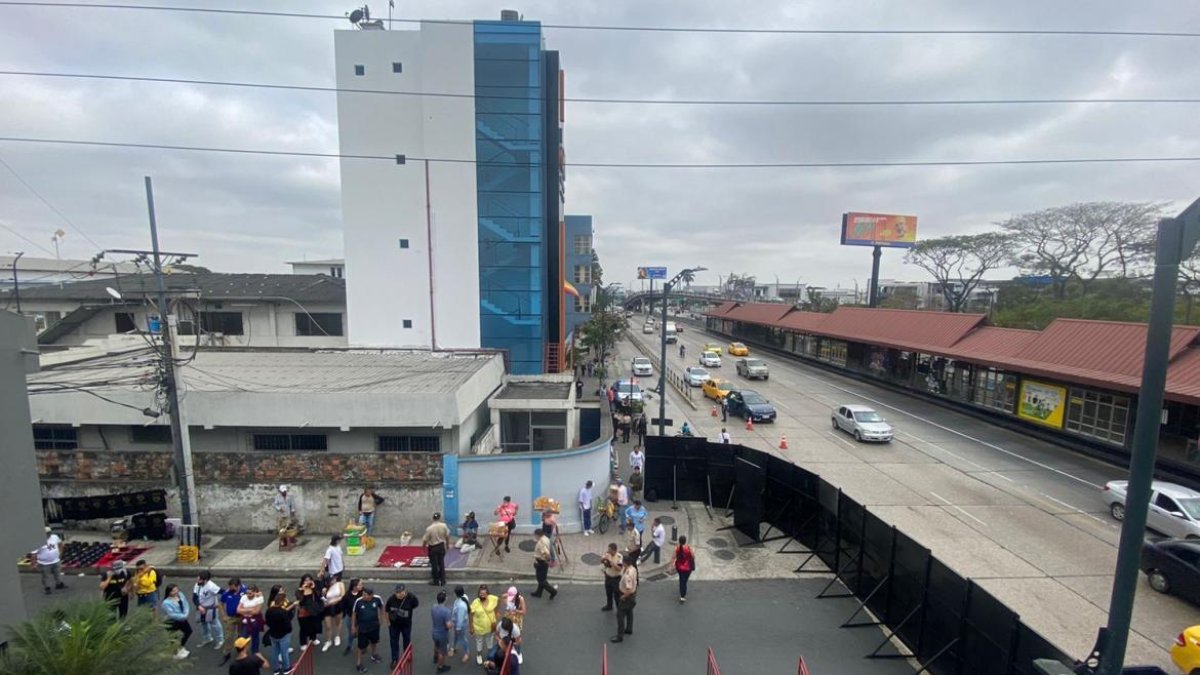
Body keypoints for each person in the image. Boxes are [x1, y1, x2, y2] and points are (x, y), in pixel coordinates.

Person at [384, 584, 419, 668]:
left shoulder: (411, 598)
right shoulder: (391, 600)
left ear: (405, 591)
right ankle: (394, 659)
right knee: (393, 642)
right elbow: (386, 610)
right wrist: (388, 622)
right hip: (394, 625)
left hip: (406, 625)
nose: (399, 594)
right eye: (397, 592)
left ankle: (407, 656)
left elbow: (415, 604)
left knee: (406, 640)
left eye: (401, 592)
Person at [351, 586, 384, 673]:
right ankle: (359, 664)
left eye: (365, 595)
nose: (363, 596)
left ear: (371, 595)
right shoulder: (358, 601)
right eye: (363, 594)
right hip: (362, 628)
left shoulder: (377, 599)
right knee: (361, 646)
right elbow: (354, 613)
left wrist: (381, 618)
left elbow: (382, 607)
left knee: (374, 641)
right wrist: (353, 626)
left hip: (374, 626)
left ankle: (374, 655)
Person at [265, 584, 295, 675]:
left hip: (273, 633)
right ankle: (287, 669)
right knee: (284, 652)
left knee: (275, 651)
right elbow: (288, 626)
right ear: (281, 602)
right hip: (283, 634)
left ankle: (276, 669)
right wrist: (288, 631)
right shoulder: (283, 612)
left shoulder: (269, 611)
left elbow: (267, 622)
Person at [160, 584, 193, 659]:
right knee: (173, 637)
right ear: (169, 592)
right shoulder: (166, 603)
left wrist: (186, 613)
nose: (176, 592)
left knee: (188, 631)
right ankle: (175, 653)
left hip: (182, 619)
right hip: (172, 621)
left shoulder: (180, 595)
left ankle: (180, 647)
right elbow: (172, 614)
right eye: (173, 591)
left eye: (176, 590)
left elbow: (185, 604)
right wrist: (184, 616)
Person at [218, 578, 247, 665]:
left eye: (233, 588)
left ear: (239, 586)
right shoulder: (227, 592)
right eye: (230, 587)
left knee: (241, 635)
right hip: (231, 618)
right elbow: (220, 603)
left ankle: (241, 651)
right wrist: (224, 615)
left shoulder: (245, 591)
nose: (231, 589)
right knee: (229, 636)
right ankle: (227, 653)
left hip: (242, 617)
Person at [468, 585, 499, 665]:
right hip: (479, 628)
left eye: (483, 594)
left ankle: (490, 655)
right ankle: (479, 655)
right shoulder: (475, 602)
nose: (481, 595)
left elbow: (499, 600)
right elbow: (471, 614)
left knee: (490, 642)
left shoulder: (492, 598)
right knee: (479, 642)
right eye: (480, 594)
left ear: (487, 594)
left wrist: (496, 612)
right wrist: (471, 627)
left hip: (490, 628)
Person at [193, 570, 224, 650]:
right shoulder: (197, 585)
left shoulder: (211, 586)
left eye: (200, 579)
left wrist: (221, 603)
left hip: (210, 608)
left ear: (205, 580)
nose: (198, 580)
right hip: (201, 608)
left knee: (215, 623)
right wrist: (199, 606)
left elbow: (222, 592)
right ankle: (207, 638)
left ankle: (220, 640)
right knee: (203, 624)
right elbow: (195, 597)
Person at [611, 553, 639, 643]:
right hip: (632, 595)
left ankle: (620, 636)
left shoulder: (628, 575)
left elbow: (629, 589)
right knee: (629, 612)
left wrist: (624, 596)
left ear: (625, 563)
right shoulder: (633, 568)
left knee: (620, 615)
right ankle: (629, 628)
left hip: (627, 596)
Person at [34, 527, 65, 596]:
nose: (48, 534)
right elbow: (33, 554)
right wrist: (33, 564)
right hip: (44, 563)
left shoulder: (54, 537)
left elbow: (60, 544)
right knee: (45, 576)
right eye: (46, 533)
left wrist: (60, 554)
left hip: (56, 560)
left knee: (57, 573)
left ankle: (59, 584)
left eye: (49, 533)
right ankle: (47, 588)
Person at [295, 574, 323, 651]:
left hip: (313, 610)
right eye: (306, 580)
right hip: (304, 611)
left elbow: (319, 596)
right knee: (303, 628)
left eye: (309, 580)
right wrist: (303, 591)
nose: (308, 582)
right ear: (303, 581)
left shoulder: (313, 588)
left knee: (313, 625)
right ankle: (303, 643)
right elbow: (300, 600)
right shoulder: (299, 590)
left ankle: (313, 638)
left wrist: (314, 588)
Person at [423, 512, 451, 586]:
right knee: (441, 563)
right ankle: (443, 580)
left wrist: (423, 547)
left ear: (433, 518)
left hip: (433, 548)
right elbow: (447, 536)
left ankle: (436, 581)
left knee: (434, 565)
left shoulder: (429, 528)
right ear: (439, 518)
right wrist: (447, 545)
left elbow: (425, 539)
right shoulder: (444, 526)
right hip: (441, 546)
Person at [237, 584, 266, 654]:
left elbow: (256, 612)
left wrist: (244, 609)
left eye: (250, 593)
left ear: (255, 592)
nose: (248, 595)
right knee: (243, 637)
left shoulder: (259, 598)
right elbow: (238, 610)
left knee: (255, 637)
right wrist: (251, 609)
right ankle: (244, 651)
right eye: (247, 593)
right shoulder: (244, 597)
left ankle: (255, 652)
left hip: (255, 621)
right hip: (245, 621)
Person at [530, 528, 558, 599]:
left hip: (542, 562)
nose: (535, 536)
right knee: (542, 578)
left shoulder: (541, 543)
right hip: (543, 562)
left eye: (535, 535)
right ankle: (538, 593)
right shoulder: (546, 538)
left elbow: (545, 553)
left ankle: (553, 591)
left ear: (538, 535)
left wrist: (546, 559)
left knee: (541, 580)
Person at [322, 571, 346, 652]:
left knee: (338, 622)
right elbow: (323, 598)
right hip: (328, 608)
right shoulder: (325, 587)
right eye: (331, 579)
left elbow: (342, 595)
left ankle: (337, 636)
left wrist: (333, 601)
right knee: (328, 626)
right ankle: (328, 641)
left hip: (338, 606)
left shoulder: (340, 584)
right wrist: (323, 593)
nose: (333, 580)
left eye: (334, 578)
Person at [431, 590, 454, 673]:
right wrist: (452, 623)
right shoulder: (446, 611)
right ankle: (440, 667)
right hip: (442, 634)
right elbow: (448, 625)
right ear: (445, 599)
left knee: (436, 645)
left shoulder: (433, 607)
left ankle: (435, 657)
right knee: (442, 651)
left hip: (434, 632)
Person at [672, 535, 697, 603]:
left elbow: (674, 557)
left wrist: (673, 564)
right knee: (684, 581)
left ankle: (682, 595)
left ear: (679, 541)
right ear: (685, 541)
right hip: (688, 568)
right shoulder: (688, 548)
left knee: (681, 580)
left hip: (679, 567)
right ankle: (683, 594)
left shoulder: (677, 548)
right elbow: (693, 556)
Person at [450, 585, 471, 664]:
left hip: (460, 625)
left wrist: (458, 628)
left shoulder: (461, 606)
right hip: (458, 623)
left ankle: (467, 653)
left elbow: (460, 618)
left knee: (462, 638)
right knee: (456, 636)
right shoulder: (464, 597)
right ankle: (454, 647)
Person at [600, 542, 623, 611]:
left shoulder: (619, 557)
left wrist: (610, 560)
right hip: (608, 577)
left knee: (616, 595)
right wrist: (603, 559)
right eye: (608, 549)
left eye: (610, 550)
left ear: (614, 550)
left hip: (616, 578)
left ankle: (619, 608)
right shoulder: (607, 554)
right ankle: (609, 606)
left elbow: (619, 569)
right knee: (608, 593)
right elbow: (602, 562)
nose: (608, 551)